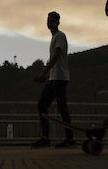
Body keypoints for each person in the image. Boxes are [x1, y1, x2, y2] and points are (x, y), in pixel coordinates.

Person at [31, 11, 76, 148]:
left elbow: (57, 55)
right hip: (53, 78)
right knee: (42, 105)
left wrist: (44, 72)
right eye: (48, 20)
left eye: (52, 20)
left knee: (62, 108)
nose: (49, 23)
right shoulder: (54, 37)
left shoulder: (60, 36)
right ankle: (45, 138)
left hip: (60, 78)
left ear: (58, 22)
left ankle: (70, 139)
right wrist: (46, 75)